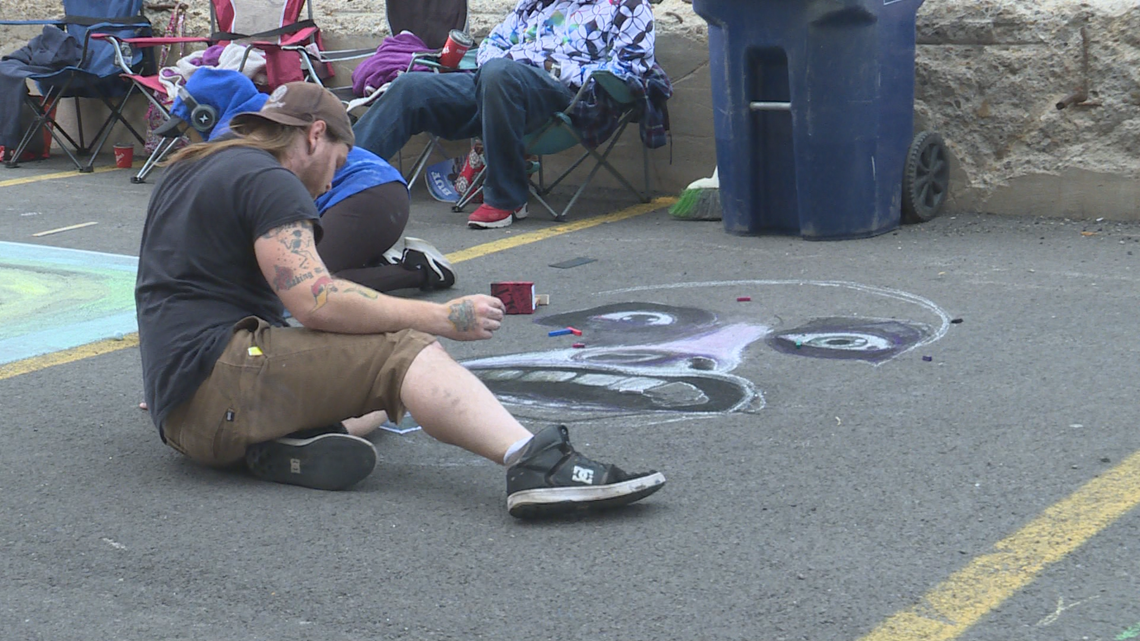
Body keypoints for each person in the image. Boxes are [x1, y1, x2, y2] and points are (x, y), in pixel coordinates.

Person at [135, 81, 665, 518]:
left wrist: (179, 378)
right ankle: (534, 462)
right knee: (404, 351)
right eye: (340, 160)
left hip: (180, 413)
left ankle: (282, 443)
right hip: (220, 381)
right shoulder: (273, 181)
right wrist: (437, 316)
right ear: (317, 135)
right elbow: (316, 300)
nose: (332, 179)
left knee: (380, 397)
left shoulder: (191, 167)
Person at [352, 0, 657, 229]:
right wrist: (506, 63)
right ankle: (339, 176)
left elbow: (632, 69)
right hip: (495, 85)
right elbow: (492, 46)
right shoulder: (536, 4)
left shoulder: (627, 6)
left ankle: (507, 199)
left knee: (501, 73)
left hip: (562, 94)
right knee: (411, 86)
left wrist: (553, 69)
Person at [163, 67, 454, 293]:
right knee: (289, 278)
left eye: (185, 126)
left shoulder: (236, 137)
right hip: (363, 192)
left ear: (204, 116)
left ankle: (420, 270)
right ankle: (371, 259)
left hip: (372, 193)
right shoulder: (255, 125)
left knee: (308, 283)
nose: (186, 138)